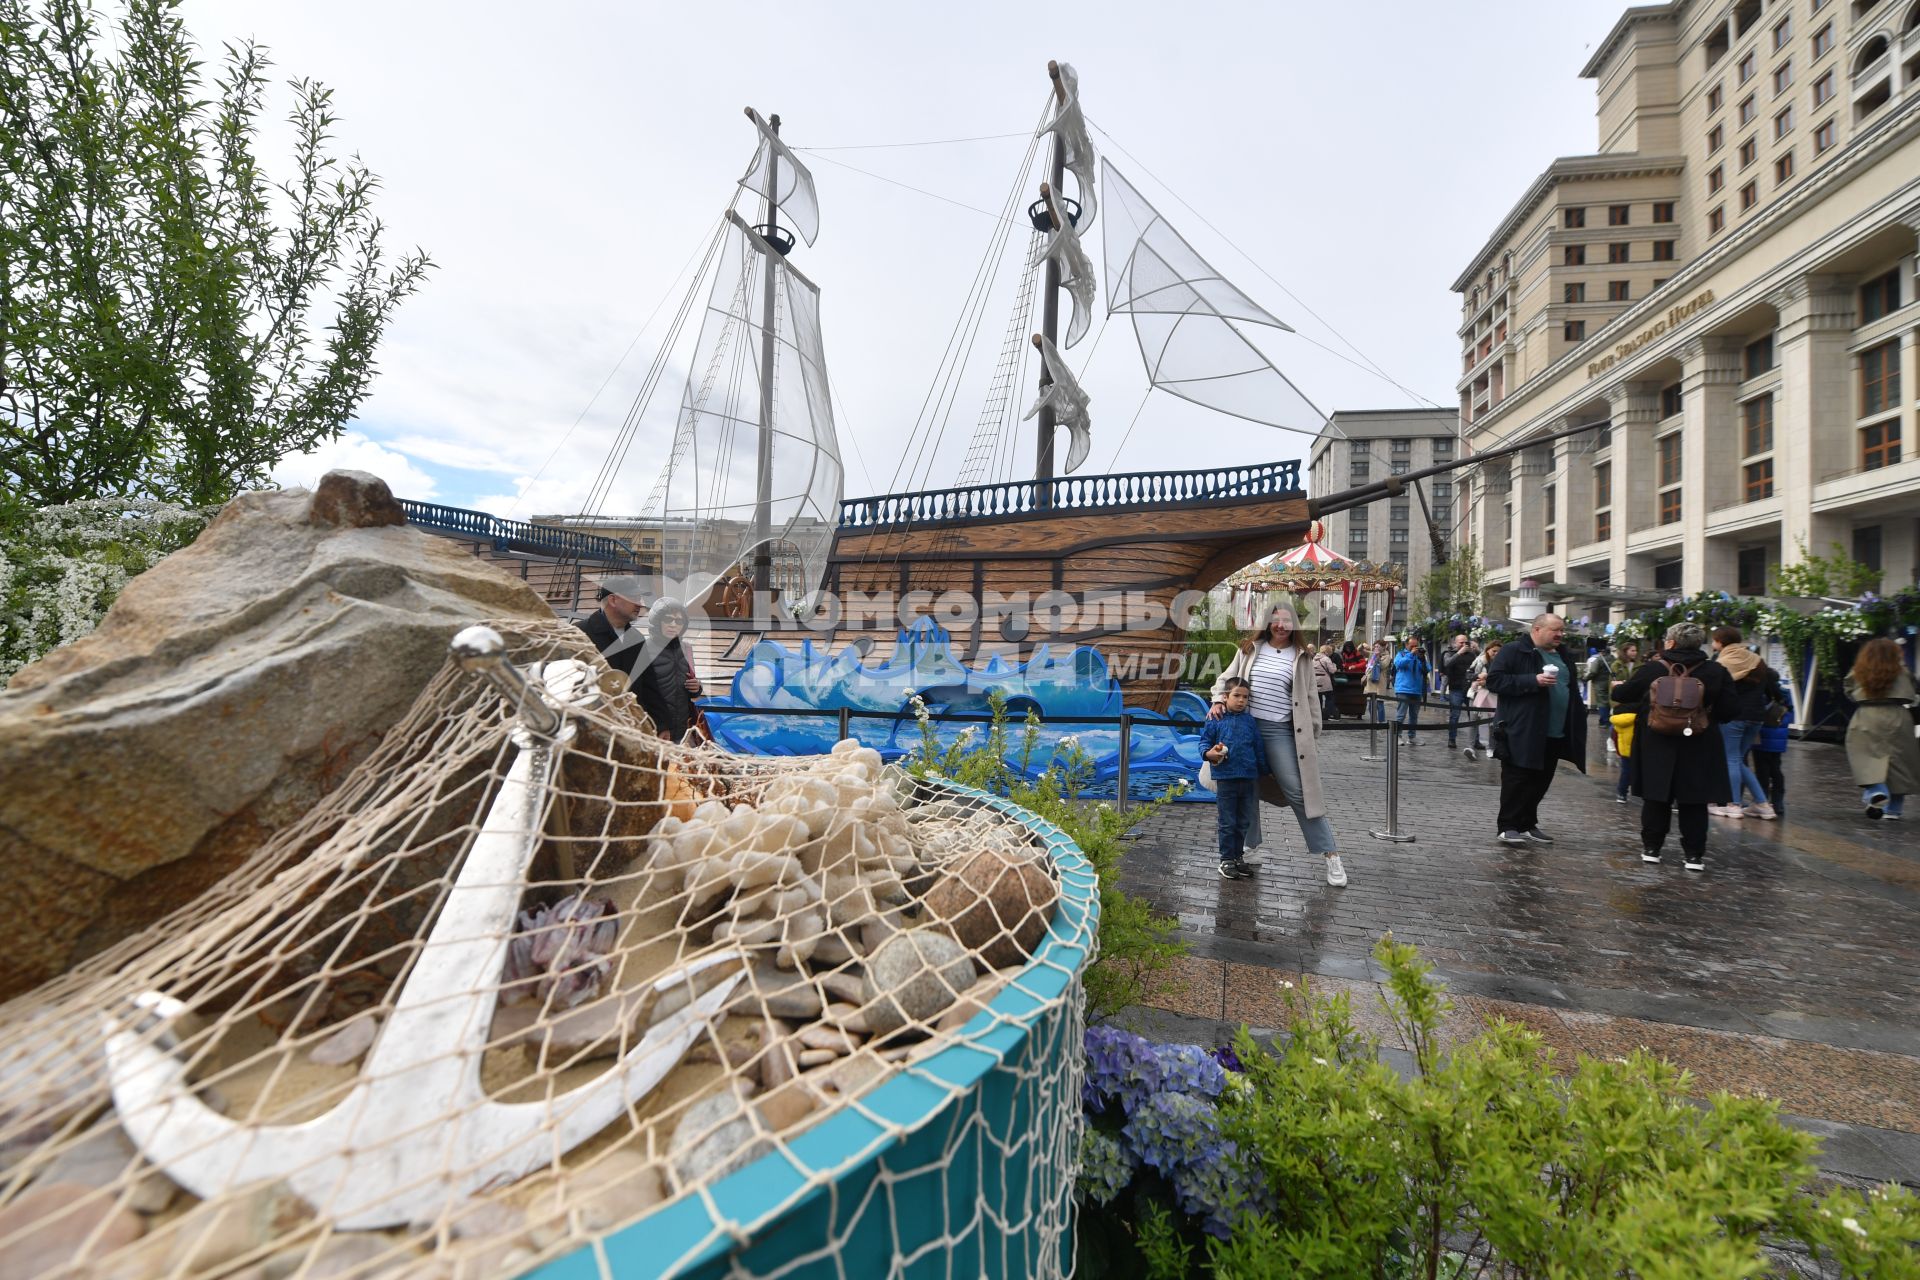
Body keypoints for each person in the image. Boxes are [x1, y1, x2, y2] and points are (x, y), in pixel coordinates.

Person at [1210, 602, 1348, 887]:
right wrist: (1217, 699)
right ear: (1268, 622)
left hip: (1278, 731)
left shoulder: (1302, 657)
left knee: (1298, 792)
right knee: (1246, 786)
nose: (1281, 626)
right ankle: (1251, 845)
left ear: (1294, 625)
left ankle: (1330, 854)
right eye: (1276, 620)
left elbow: (1311, 700)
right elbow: (1225, 679)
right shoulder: (1249, 649)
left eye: (1287, 621)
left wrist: (1312, 735)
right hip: (1244, 728)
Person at [1612, 622, 1742, 871]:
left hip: (1656, 740)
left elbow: (1622, 695)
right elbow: (1731, 709)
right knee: (1694, 799)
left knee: (1656, 796)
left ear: (1670, 643)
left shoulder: (1652, 669)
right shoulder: (1715, 671)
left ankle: (1652, 849)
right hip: (1699, 741)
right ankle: (1693, 855)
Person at [1486, 613, 1587, 845]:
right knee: (1518, 778)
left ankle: (1527, 823)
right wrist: (1533, 681)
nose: (1560, 634)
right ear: (1537, 629)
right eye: (1555, 630)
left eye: (1562, 630)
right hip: (1522, 729)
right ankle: (1508, 825)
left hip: (1555, 730)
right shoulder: (1514, 650)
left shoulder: (1563, 654)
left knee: (1541, 779)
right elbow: (1495, 681)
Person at [1707, 626, 1782, 819]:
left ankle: (1733, 804)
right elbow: (1773, 689)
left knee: (1731, 759)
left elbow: (1715, 690)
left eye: (1714, 639)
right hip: (1756, 717)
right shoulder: (1757, 660)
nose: (1713, 643)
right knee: (1738, 760)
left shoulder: (1722, 662)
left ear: (1721, 642)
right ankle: (1763, 804)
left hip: (1733, 717)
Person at [1844, 637, 1920, 821]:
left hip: (1867, 715)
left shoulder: (1858, 671)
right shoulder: (1902, 671)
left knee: (1865, 757)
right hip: (1898, 715)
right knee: (1898, 763)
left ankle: (1876, 791)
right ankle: (1894, 810)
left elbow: (1848, 690)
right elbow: (1914, 689)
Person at [1200, 677, 1266, 879]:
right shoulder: (1216, 719)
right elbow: (1204, 742)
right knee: (1227, 822)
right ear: (1225, 697)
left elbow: (1258, 747)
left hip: (1248, 778)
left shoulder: (1249, 721)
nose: (1241, 700)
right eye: (1236, 696)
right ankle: (1226, 860)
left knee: (1244, 821)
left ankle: (1238, 857)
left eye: (1245, 697)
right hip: (1226, 778)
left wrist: (1264, 769)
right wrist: (1208, 755)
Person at [633, 598, 703, 743]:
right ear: (657, 621)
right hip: (652, 730)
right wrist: (656, 727)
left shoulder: (686, 649)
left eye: (678, 621)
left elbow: (690, 685)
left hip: (683, 729)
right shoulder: (642, 650)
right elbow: (636, 694)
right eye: (668, 619)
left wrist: (697, 687)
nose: (673, 625)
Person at [575, 580, 645, 680]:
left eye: (639, 598)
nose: (640, 604)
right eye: (633, 598)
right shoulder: (579, 635)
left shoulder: (638, 638)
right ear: (612, 600)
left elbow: (648, 685)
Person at [1752, 690, 1791, 820]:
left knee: (1762, 772)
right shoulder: (1784, 696)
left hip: (1762, 741)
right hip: (1779, 742)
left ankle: (1762, 800)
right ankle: (1778, 803)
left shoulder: (1763, 696)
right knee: (1776, 770)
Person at [1391, 636, 1431, 747]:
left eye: (1416, 645)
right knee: (1401, 715)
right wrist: (1411, 654)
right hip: (1403, 689)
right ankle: (1397, 736)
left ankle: (1412, 737)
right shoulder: (1401, 654)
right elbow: (1399, 664)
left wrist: (1422, 658)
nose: (1414, 647)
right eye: (1412, 645)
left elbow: (1428, 669)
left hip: (1416, 690)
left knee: (1414, 716)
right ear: (1406, 645)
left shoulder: (1420, 656)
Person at [1466, 639, 1502, 759]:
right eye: (1494, 651)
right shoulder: (1480, 660)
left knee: (1492, 723)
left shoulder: (1502, 663)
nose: (1496, 653)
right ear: (1488, 650)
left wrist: (1487, 682)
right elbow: (1468, 674)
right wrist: (1477, 676)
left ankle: (1491, 748)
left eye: (1498, 652)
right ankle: (1470, 747)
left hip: (1494, 695)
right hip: (1477, 693)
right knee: (1474, 721)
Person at [1441, 633, 1476, 752]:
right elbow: (1447, 663)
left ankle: (1475, 741)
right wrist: (1459, 653)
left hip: (1470, 689)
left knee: (1473, 716)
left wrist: (1476, 649)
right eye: (1461, 642)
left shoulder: (1472, 654)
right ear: (1455, 643)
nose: (1463, 644)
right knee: (1454, 715)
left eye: (1465, 642)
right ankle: (1452, 739)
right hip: (1456, 688)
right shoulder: (1449, 653)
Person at [1363, 639, 1392, 722]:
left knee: (1379, 704)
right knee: (1370, 705)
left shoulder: (1387, 656)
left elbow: (1383, 666)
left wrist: (1378, 657)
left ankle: (1381, 721)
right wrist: (1363, 647)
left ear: (1383, 647)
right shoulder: (1372, 655)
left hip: (1379, 683)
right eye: (1375, 646)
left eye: (1378, 646)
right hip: (1370, 682)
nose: (1376, 648)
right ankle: (1373, 721)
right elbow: (1368, 665)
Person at [1310, 643, 1340, 722]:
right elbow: (1332, 671)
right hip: (1325, 681)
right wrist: (1335, 666)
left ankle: (1318, 715)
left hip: (1316, 681)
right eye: (1329, 652)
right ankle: (1327, 714)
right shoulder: (1326, 659)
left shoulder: (1314, 659)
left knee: (1318, 698)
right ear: (1326, 652)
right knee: (1329, 698)